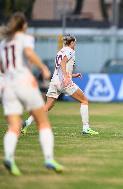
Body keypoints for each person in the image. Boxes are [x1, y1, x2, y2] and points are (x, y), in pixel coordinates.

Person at [0, 12, 63, 176]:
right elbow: (28, 53)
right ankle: (49, 158)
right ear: (23, 25)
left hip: (8, 86)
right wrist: (43, 68)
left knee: (14, 125)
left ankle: (8, 157)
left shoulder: (3, 43)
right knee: (43, 122)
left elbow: (2, 67)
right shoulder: (25, 37)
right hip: (24, 82)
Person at [21, 34, 99, 135]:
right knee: (84, 100)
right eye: (74, 42)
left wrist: (72, 75)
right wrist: (67, 77)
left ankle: (27, 123)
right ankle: (86, 128)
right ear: (71, 43)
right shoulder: (70, 51)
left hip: (55, 81)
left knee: (47, 106)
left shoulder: (60, 51)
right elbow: (63, 63)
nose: (75, 44)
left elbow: (61, 67)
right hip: (64, 82)